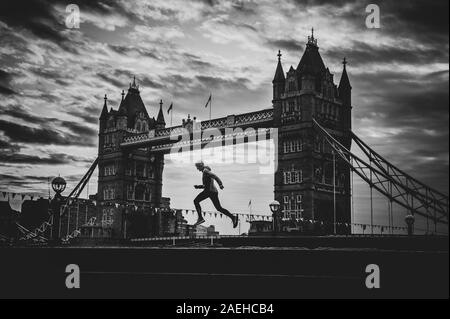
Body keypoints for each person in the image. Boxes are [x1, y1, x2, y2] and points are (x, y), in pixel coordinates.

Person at [193, 161, 238, 228]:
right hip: (213, 192)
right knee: (219, 208)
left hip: (209, 191)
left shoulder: (205, 171)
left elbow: (215, 176)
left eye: (197, 167)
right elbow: (206, 185)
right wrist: (198, 186)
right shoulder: (205, 171)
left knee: (196, 201)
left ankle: (200, 218)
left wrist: (220, 184)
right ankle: (233, 217)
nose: (197, 169)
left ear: (200, 166)